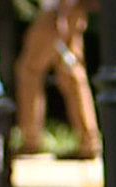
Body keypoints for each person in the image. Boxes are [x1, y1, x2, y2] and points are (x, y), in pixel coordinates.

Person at [14, 0, 102, 159]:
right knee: (71, 75)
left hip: (57, 12)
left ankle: (31, 139)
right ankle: (89, 140)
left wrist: (60, 14)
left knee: (29, 72)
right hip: (70, 10)